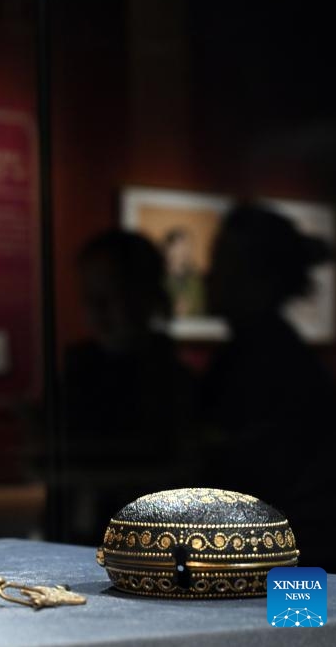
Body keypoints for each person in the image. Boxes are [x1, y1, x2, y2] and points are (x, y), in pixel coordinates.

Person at [199, 200, 336, 572]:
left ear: (259, 278)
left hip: (295, 553)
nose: (209, 274)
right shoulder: (255, 355)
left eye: (223, 263)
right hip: (284, 549)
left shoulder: (273, 363)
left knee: (295, 627)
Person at [59, 229, 198, 545]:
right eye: (89, 296)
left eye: (112, 294)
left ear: (144, 296)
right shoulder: (79, 370)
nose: (97, 309)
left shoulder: (167, 378)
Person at [162, 226, 206, 317]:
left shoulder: (196, 277)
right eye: (180, 245)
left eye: (188, 245)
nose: (185, 250)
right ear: (168, 248)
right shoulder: (159, 276)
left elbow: (202, 306)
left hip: (193, 327)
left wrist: (190, 308)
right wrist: (171, 309)